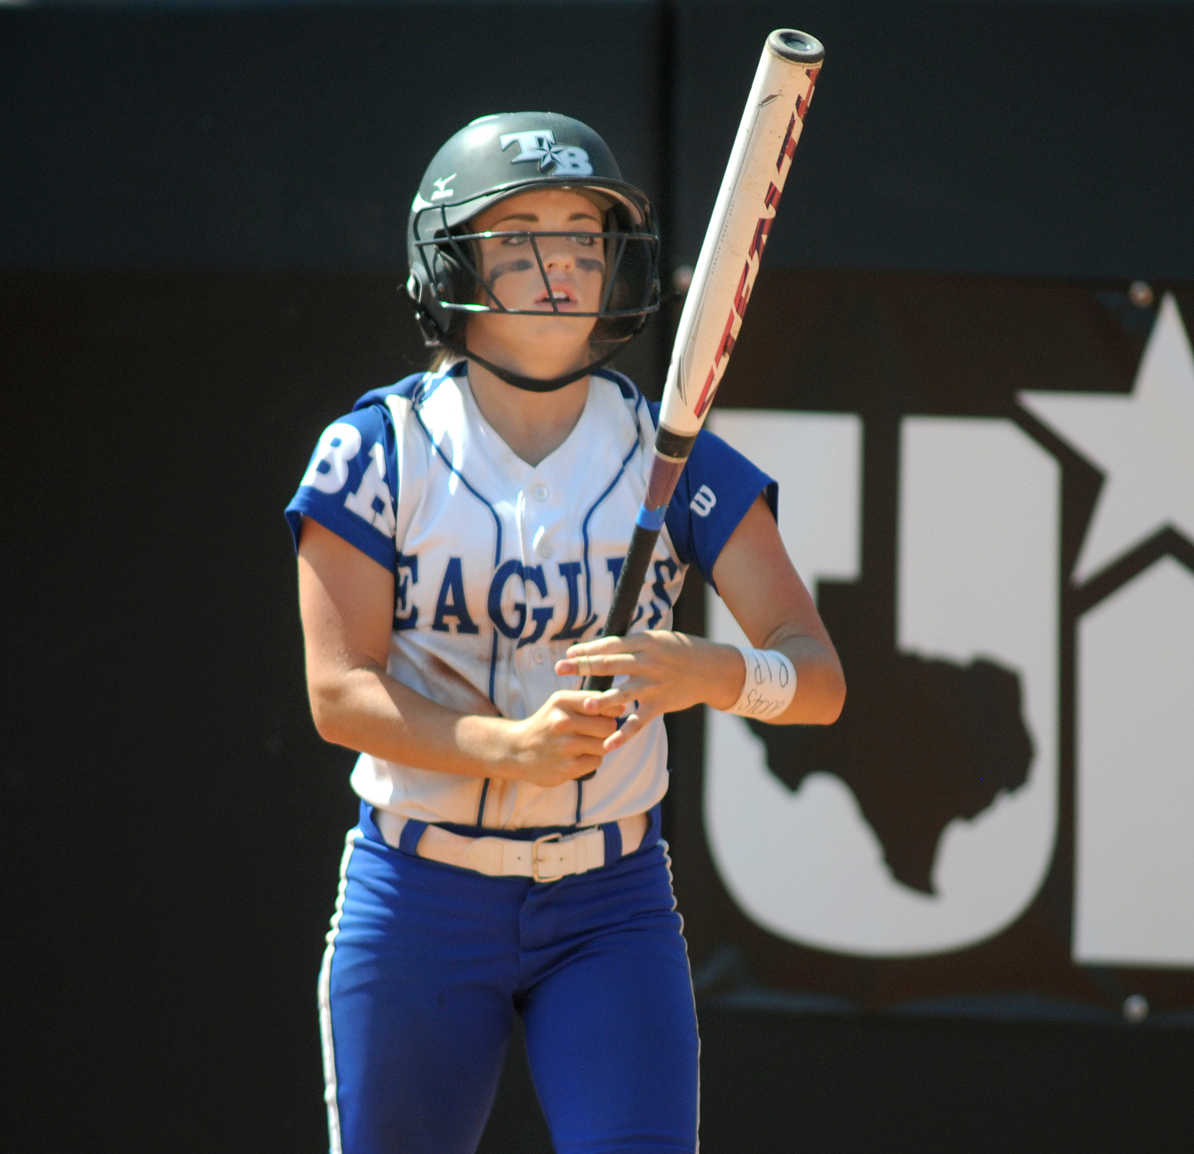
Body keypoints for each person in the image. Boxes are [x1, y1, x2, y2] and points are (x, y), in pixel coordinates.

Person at [286, 112, 844, 1154]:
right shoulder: (376, 449)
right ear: (449, 260)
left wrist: (712, 669)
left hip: (611, 903)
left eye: (584, 233)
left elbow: (816, 677)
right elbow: (339, 692)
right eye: (520, 233)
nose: (561, 261)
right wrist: (509, 746)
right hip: (419, 897)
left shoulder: (678, 459)